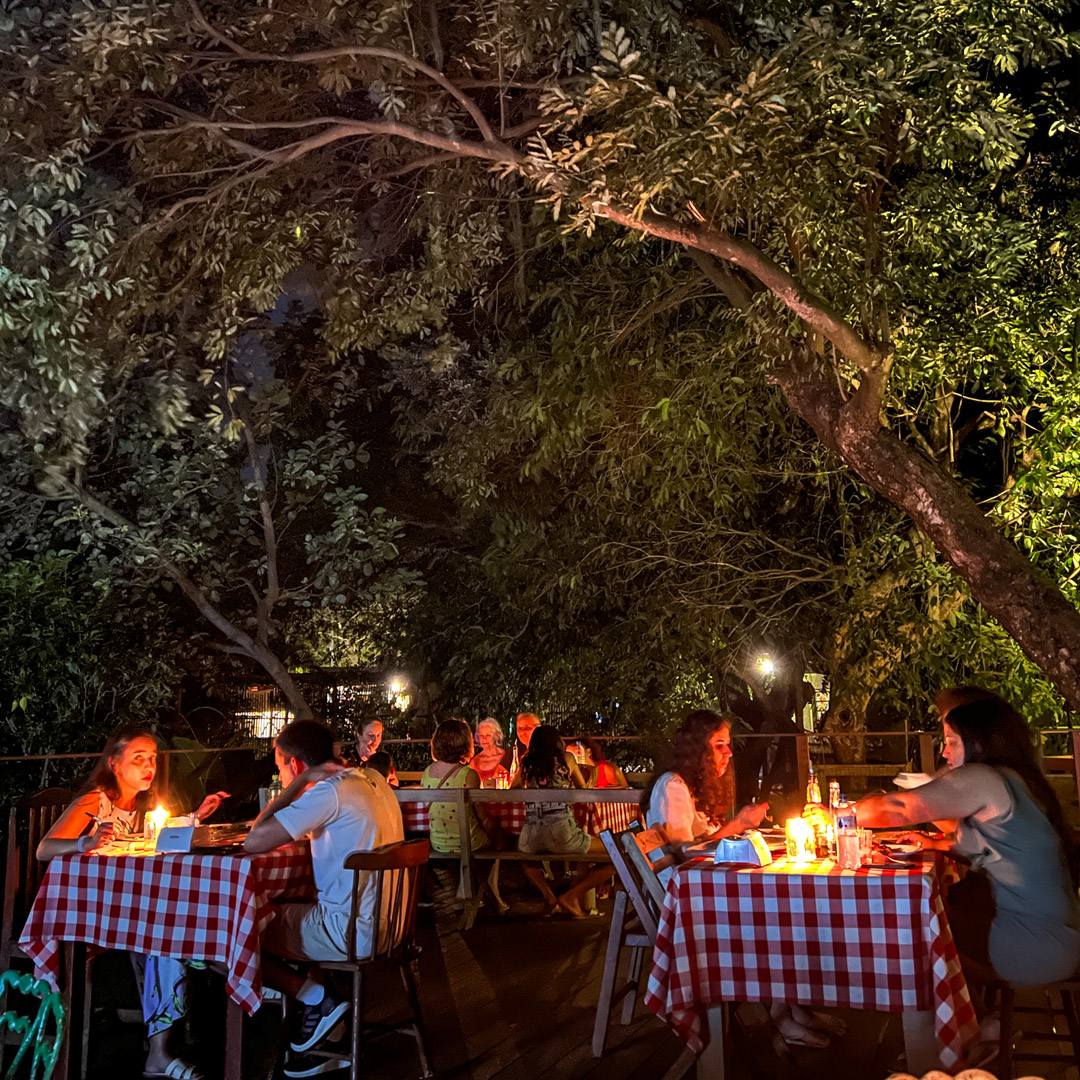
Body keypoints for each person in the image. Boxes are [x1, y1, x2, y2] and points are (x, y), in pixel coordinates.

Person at [38, 723, 229, 1080]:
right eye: (138, 758)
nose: (149, 767)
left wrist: (198, 817)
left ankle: (166, 1043)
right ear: (114, 764)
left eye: (153, 759)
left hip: (124, 908)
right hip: (82, 911)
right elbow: (44, 849)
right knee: (165, 933)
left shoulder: (144, 805)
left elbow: (162, 839)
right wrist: (84, 843)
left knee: (167, 930)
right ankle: (163, 1047)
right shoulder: (95, 800)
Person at [856, 688, 1080, 988]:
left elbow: (899, 808)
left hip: (1033, 948)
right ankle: (974, 1021)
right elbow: (986, 847)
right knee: (927, 916)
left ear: (978, 740)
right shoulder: (1018, 777)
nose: (944, 752)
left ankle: (955, 1030)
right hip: (1061, 937)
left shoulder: (984, 778)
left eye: (951, 741)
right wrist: (932, 842)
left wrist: (836, 813)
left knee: (903, 931)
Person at [644, 710, 842, 1048]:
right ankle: (782, 1019)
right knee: (780, 917)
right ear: (698, 750)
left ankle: (795, 1010)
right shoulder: (672, 786)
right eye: (719, 745)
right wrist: (738, 826)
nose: (729, 753)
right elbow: (683, 855)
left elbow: (704, 847)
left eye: (727, 744)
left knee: (787, 908)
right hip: (688, 908)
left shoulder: (693, 786)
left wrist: (746, 831)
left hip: (707, 893)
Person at [245, 718, 404, 1079]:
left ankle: (317, 998)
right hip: (394, 926)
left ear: (296, 764)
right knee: (287, 907)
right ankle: (325, 1023)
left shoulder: (328, 790)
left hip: (349, 933)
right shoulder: (373, 779)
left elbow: (253, 841)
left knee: (237, 926)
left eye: (281, 769)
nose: (282, 777)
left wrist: (300, 784)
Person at [512, 725, 613, 918]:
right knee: (616, 853)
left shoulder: (526, 763)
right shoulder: (567, 760)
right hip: (561, 832)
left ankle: (549, 897)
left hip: (530, 836)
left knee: (521, 853)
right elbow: (583, 792)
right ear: (558, 742)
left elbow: (512, 790)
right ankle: (572, 896)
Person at [421, 720, 500, 854]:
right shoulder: (469, 775)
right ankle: (483, 874)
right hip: (470, 844)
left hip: (438, 844)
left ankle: (447, 874)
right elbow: (483, 816)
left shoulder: (427, 773)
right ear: (466, 744)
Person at [471, 717, 511, 785]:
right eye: (481, 736)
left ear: (496, 736)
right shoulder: (474, 762)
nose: (484, 739)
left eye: (488, 735)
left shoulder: (506, 758)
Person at [500, 712, 540, 776]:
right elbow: (500, 771)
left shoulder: (545, 748)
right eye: (520, 729)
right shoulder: (516, 747)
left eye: (527, 728)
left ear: (538, 728)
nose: (522, 732)